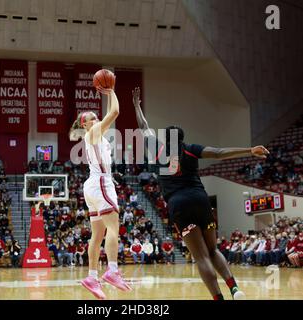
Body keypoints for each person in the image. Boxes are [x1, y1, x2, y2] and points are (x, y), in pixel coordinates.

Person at [132, 87, 269, 300]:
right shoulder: (190, 148)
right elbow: (219, 153)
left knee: (201, 256)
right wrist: (249, 150)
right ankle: (234, 288)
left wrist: (136, 105)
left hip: (179, 205)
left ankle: (218, 298)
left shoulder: (158, 150)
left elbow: (143, 126)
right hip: (200, 199)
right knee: (213, 250)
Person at [69, 85, 131, 299]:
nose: (97, 119)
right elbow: (114, 112)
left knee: (97, 235)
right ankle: (112, 271)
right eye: (93, 118)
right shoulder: (93, 132)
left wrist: (106, 95)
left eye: (97, 117)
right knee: (114, 228)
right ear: (85, 124)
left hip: (93, 185)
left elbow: (108, 114)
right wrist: (112, 91)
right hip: (101, 183)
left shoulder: (95, 135)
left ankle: (92, 277)